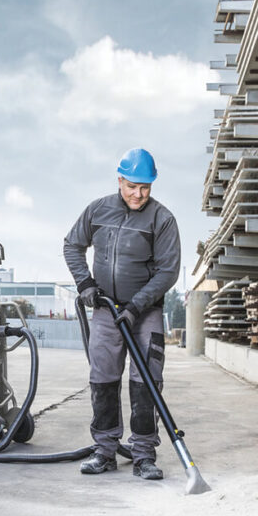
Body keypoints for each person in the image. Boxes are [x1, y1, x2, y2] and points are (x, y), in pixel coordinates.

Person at [62, 148, 181, 481]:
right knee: (103, 378)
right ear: (120, 180)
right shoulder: (98, 210)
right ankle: (104, 451)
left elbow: (168, 271)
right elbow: (72, 245)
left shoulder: (162, 219)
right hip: (106, 310)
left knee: (146, 381)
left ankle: (143, 455)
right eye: (132, 186)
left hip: (145, 312)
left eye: (145, 187)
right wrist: (85, 283)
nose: (138, 194)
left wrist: (136, 306)